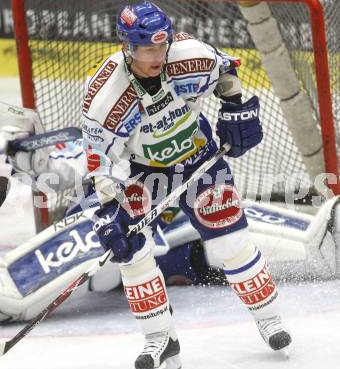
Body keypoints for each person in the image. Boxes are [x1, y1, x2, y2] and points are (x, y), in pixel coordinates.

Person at [81, 0, 290, 369]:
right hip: (142, 173)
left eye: (161, 46)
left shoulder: (188, 53)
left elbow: (226, 70)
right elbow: (98, 165)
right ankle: (162, 341)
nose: (157, 56)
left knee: (230, 242)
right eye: (147, 49)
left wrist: (234, 106)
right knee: (132, 251)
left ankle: (270, 319)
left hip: (199, 158)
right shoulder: (105, 99)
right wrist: (108, 213)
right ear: (127, 46)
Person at [1, 101, 340, 330]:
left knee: (219, 228)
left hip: (169, 236)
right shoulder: (97, 141)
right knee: (112, 243)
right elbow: (56, 167)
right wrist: (23, 157)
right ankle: (13, 288)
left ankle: (323, 241)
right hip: (115, 233)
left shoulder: (168, 127)